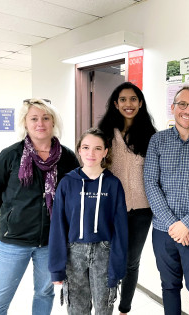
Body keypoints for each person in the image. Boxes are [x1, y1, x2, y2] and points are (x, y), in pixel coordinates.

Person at [0, 98, 79, 315]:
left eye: (46, 118)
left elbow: (74, 196)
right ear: (25, 123)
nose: (40, 123)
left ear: (53, 121)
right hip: (14, 241)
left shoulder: (67, 158)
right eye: (34, 118)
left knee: (45, 294)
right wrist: (13, 215)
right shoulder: (10, 155)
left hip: (51, 241)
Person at [48, 127, 128, 315]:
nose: (91, 153)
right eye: (86, 147)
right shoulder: (67, 182)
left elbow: (121, 229)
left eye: (97, 148)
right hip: (73, 253)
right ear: (79, 150)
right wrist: (56, 268)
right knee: (77, 309)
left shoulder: (113, 184)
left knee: (104, 308)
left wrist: (117, 267)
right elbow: (58, 226)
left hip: (104, 253)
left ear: (105, 152)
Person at [144, 85, 189, 315]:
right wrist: (173, 224)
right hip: (163, 231)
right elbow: (151, 183)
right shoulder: (158, 141)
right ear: (173, 108)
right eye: (182, 104)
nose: (187, 110)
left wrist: (187, 224)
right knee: (169, 287)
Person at [98, 82, 156, 315]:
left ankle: (124, 308)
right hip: (110, 207)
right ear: (115, 103)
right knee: (107, 258)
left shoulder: (151, 136)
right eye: (123, 99)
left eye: (133, 99)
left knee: (132, 262)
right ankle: (104, 306)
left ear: (140, 103)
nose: (128, 104)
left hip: (142, 210)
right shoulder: (103, 134)